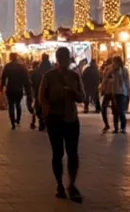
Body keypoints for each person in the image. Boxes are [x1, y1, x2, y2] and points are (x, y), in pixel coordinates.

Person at [39, 46, 85, 203]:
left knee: (72, 153)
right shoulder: (49, 76)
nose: (64, 61)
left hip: (71, 118)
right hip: (55, 119)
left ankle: (71, 184)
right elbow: (42, 98)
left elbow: (82, 97)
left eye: (66, 58)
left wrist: (72, 92)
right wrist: (52, 102)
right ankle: (59, 184)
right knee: (58, 153)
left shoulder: (74, 76)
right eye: (61, 58)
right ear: (58, 59)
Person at [1, 53, 31, 129]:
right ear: (16, 58)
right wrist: (27, 90)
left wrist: (1, 87)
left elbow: (3, 78)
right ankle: (18, 120)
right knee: (18, 104)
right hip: (19, 88)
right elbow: (26, 79)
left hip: (10, 88)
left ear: (10, 58)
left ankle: (12, 123)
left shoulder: (7, 66)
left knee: (11, 105)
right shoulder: (21, 67)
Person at [108, 57, 130, 133]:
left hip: (122, 92)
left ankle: (123, 127)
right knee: (115, 111)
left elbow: (127, 82)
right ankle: (116, 128)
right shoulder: (112, 70)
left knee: (120, 110)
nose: (113, 63)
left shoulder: (124, 70)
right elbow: (109, 79)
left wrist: (128, 93)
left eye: (114, 62)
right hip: (114, 92)